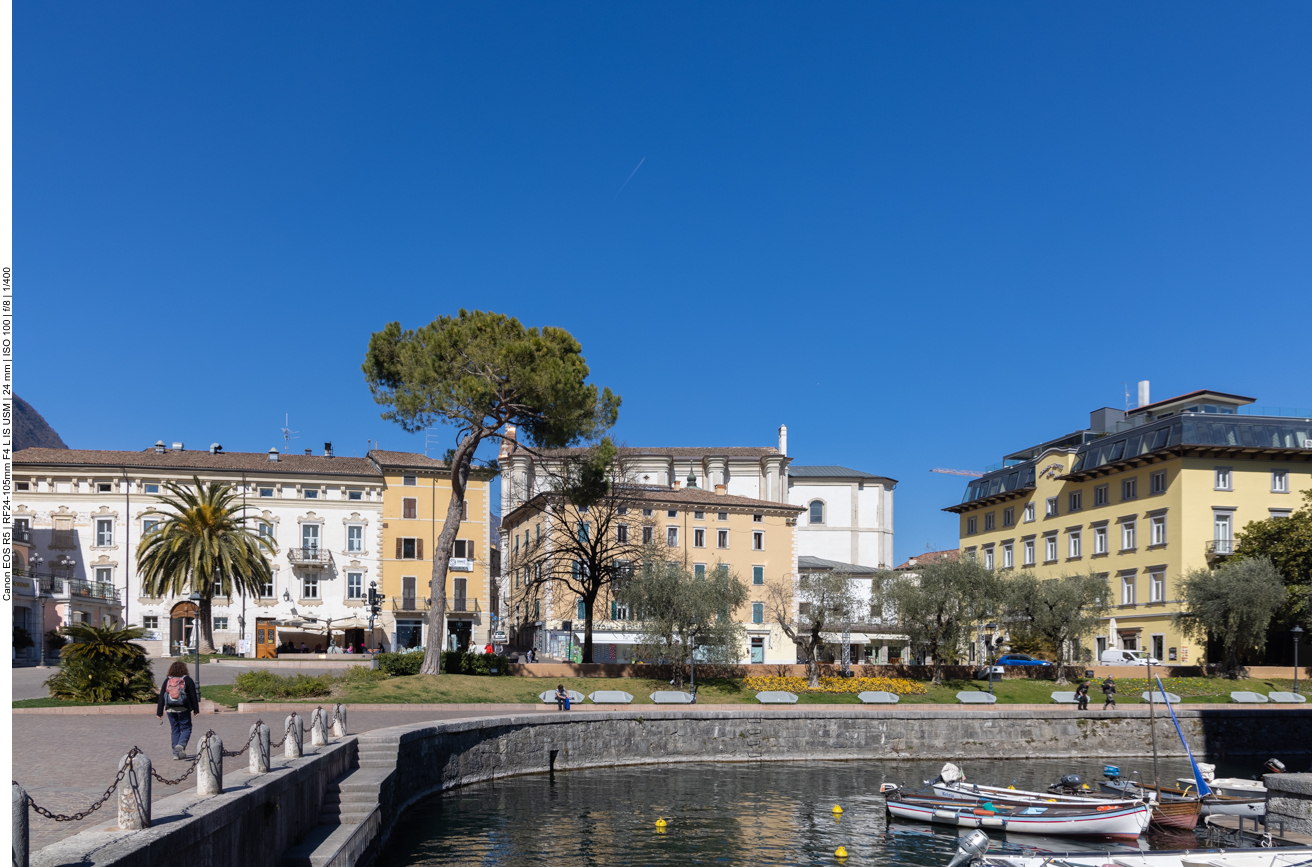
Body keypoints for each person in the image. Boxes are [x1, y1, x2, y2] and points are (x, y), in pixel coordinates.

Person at [156, 660, 201, 760]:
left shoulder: (167, 680)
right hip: (183, 708)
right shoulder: (187, 680)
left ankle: (176, 754)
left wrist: (159, 712)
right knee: (186, 728)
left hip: (170, 709)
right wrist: (196, 710)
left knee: (175, 729)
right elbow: (193, 696)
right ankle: (181, 744)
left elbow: (162, 696)